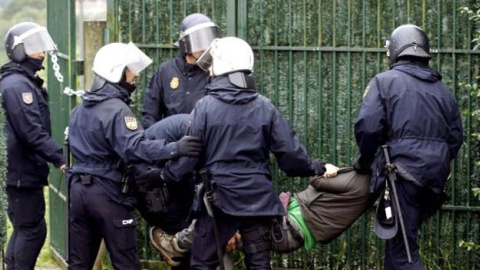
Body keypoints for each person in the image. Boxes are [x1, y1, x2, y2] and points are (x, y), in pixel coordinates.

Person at [161, 36, 339, 269]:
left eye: (213, 62)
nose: (210, 69)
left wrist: (163, 175)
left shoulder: (205, 107)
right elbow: (291, 157)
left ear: (224, 65)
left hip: (221, 200)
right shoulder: (264, 106)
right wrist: (318, 166)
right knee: (258, 263)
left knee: (202, 262)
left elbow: (189, 158)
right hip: (258, 201)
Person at [67, 42, 202, 269]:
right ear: (116, 72)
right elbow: (135, 149)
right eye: (131, 69)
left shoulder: (79, 109)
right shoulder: (117, 109)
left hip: (78, 192)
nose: (136, 74)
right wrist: (175, 148)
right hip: (108, 194)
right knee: (126, 262)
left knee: (79, 263)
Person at [353, 24, 463, 269]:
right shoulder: (444, 92)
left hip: (402, 176)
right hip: (433, 181)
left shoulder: (384, 82)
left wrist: (363, 160)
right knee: (399, 243)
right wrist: (438, 161)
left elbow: (369, 127)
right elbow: (456, 137)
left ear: (394, 50)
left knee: (404, 253)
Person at [0, 22, 66, 270]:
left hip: (20, 171)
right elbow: (31, 132)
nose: (41, 53)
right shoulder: (17, 85)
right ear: (19, 50)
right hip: (20, 173)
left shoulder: (20, 82)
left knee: (25, 227)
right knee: (32, 229)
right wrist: (59, 157)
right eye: (35, 48)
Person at [141, 13, 221, 128]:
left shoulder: (214, 71)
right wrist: (157, 142)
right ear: (185, 44)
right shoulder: (166, 71)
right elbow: (150, 113)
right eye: (199, 41)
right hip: (171, 141)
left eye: (207, 40)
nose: (204, 47)